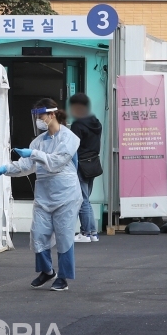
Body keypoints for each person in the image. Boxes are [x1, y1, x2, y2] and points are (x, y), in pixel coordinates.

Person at [0, 98, 81, 291]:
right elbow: (25, 166)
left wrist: (33, 154)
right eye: (37, 116)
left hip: (66, 195)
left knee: (64, 237)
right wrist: (5, 168)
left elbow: (56, 162)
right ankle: (47, 271)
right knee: (38, 234)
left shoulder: (69, 138)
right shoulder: (38, 142)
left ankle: (63, 277)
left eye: (41, 115)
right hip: (44, 195)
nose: (39, 119)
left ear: (52, 114)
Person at [69, 93, 103, 243]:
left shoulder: (78, 125)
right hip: (93, 163)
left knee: (82, 199)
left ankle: (86, 232)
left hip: (81, 164)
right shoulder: (96, 122)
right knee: (86, 198)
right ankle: (93, 232)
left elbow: (73, 147)